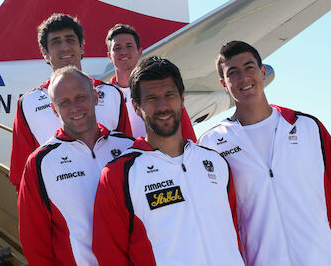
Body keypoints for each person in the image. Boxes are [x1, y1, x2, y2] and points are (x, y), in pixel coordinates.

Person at [198, 41, 331, 265]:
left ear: (263, 72)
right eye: (233, 73)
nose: (244, 78)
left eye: (250, 68)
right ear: (223, 83)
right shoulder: (212, 145)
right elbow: (216, 224)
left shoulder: (308, 127)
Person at [93, 56, 243, 265]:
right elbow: (109, 254)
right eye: (152, 98)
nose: (163, 106)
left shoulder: (215, 162)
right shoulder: (119, 175)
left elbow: (233, 232)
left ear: (182, 98)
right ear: (136, 106)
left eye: (169, 95)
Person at [18, 66, 134, 265]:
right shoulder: (40, 162)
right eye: (64, 102)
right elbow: (34, 240)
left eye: (81, 97)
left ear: (95, 97)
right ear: (54, 109)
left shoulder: (129, 147)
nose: (75, 108)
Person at [10, 13, 131, 191]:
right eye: (56, 42)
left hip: (115, 202)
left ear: (81, 47)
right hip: (64, 209)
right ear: (45, 53)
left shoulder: (112, 94)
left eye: (70, 40)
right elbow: (22, 177)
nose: (65, 47)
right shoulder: (28, 104)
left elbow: (128, 153)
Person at [105, 23, 197, 141]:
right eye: (117, 48)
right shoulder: (103, 97)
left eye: (129, 46)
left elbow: (186, 133)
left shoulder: (159, 89)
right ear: (109, 56)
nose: (123, 52)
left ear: (140, 52)